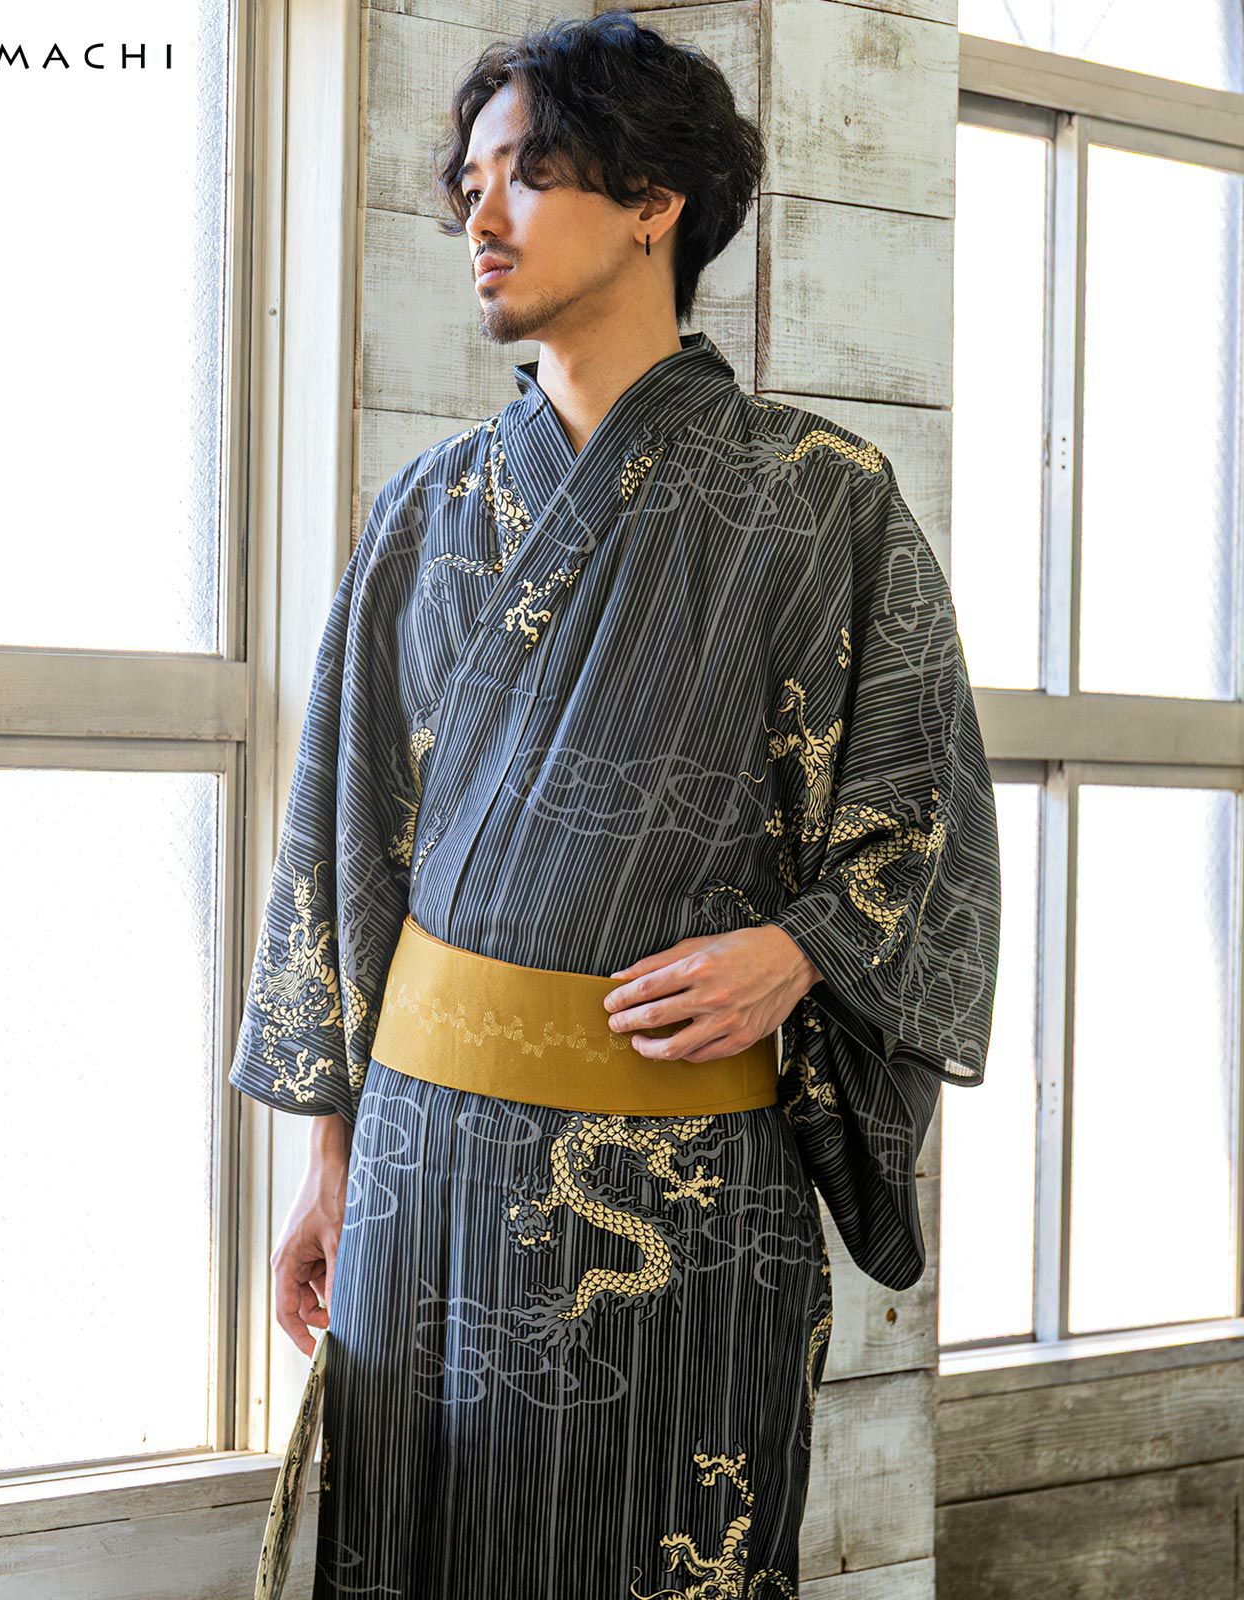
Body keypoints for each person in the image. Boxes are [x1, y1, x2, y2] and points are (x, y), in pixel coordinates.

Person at [229, 11, 1002, 1597]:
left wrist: (799, 951)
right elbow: (339, 846)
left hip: (685, 1187)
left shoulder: (823, 499)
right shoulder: (430, 509)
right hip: (424, 1171)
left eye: (528, 175)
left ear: (655, 200)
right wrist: (327, 1161)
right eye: (469, 185)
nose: (482, 217)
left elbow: (924, 810)